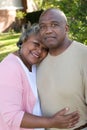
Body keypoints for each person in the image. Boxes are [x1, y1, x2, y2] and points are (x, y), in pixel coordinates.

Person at [0, 24, 79, 130]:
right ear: (24, 40)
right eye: (36, 44)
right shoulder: (10, 68)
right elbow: (12, 117)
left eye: (45, 48)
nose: (39, 51)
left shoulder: (33, 65)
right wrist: (52, 122)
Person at [37, 8, 87, 130]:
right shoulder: (38, 59)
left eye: (54, 25)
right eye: (43, 26)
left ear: (66, 29)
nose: (48, 31)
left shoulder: (83, 55)